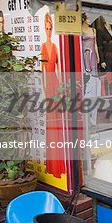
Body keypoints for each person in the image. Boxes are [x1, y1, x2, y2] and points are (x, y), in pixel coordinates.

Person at [41, 13, 65, 178]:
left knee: (59, 121)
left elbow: (59, 69)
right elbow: (42, 70)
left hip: (56, 84)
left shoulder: (55, 47)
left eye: (51, 28)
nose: (49, 31)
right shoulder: (43, 46)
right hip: (48, 86)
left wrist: (62, 86)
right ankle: (53, 165)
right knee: (51, 122)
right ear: (44, 29)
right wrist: (44, 88)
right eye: (47, 28)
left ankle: (60, 164)